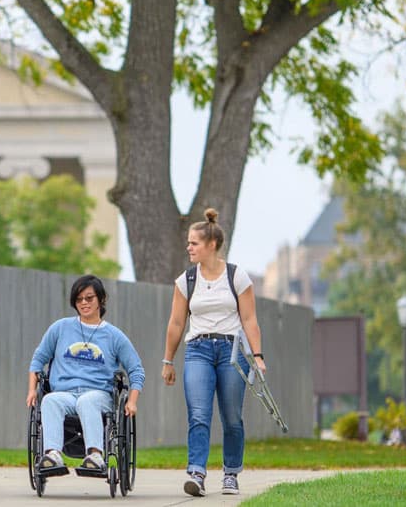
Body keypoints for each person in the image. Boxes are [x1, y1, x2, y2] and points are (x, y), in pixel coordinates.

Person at [161, 208, 266, 497]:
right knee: (198, 414)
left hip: (231, 352)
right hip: (198, 351)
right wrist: (168, 360)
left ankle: (231, 473)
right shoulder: (186, 280)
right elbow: (177, 322)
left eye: (194, 243)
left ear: (212, 245)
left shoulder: (237, 276)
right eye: (188, 243)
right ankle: (197, 471)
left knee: (232, 416)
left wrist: (257, 356)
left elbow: (249, 320)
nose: (189, 247)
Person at [26, 275, 145, 474]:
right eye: (79, 299)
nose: (84, 303)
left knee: (87, 401)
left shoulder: (114, 336)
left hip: (98, 395)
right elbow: (38, 360)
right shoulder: (60, 328)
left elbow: (136, 370)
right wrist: (32, 390)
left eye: (89, 298)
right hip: (65, 393)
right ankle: (53, 454)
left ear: (101, 299)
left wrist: (132, 401)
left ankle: (96, 456)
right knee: (50, 400)